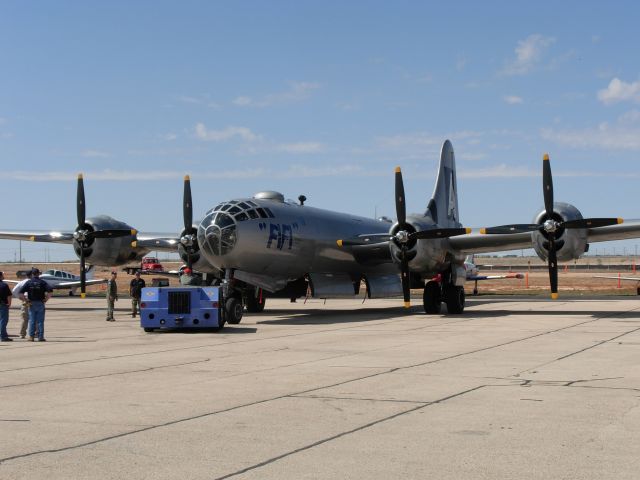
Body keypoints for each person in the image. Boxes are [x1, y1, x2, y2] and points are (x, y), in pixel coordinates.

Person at [19, 268, 52, 342]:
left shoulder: (28, 282)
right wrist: (46, 299)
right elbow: (50, 292)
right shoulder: (43, 282)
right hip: (40, 303)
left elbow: (20, 293)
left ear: (32, 274)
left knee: (32, 320)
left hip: (31, 303)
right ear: (38, 274)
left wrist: (26, 300)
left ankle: (31, 337)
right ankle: (40, 337)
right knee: (40, 321)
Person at [12, 270, 33, 338]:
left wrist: (21, 298)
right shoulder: (34, 282)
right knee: (34, 318)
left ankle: (22, 334)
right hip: (33, 301)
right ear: (31, 275)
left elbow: (14, 291)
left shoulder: (21, 282)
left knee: (24, 318)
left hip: (25, 301)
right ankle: (34, 333)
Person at [0, 271, 13, 341]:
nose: (3, 276)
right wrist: (9, 303)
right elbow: (9, 295)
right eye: (2, 275)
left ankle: (4, 335)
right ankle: (3, 336)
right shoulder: (4, 285)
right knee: (3, 321)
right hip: (3, 305)